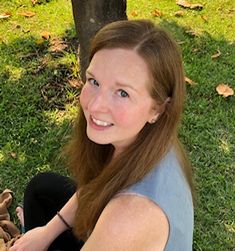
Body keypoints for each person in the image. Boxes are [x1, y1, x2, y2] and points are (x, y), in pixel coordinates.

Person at [10, 19, 194, 251]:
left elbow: (120, 222)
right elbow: (95, 184)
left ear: (157, 108)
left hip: (116, 235)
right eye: (94, 81)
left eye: (122, 93)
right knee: (42, 188)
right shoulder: (145, 138)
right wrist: (45, 233)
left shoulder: (129, 218)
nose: (95, 106)